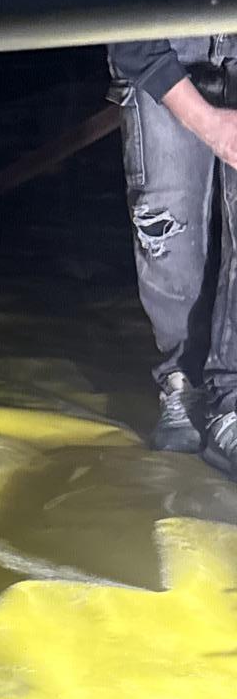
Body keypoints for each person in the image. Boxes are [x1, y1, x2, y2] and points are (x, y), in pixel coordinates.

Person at [110, 37, 237, 471]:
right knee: (166, 228)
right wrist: (208, 122)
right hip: (165, 42)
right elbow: (127, 28)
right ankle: (182, 381)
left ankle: (233, 401)